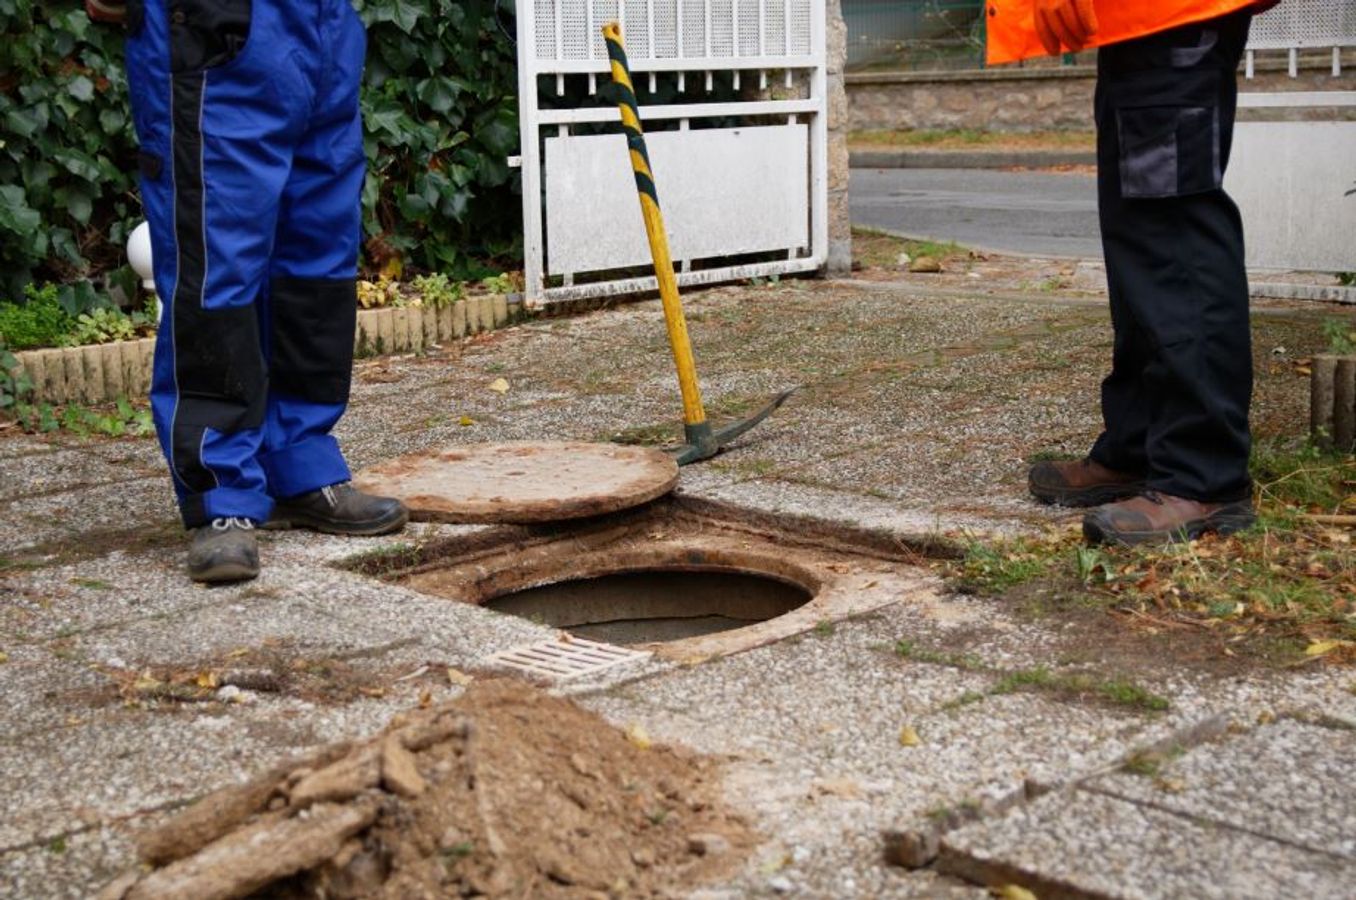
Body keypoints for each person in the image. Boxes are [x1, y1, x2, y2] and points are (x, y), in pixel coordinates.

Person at [95, 0, 408, 581]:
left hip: (324, 27)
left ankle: (298, 461)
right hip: (215, 26)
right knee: (217, 260)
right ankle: (223, 494)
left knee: (316, 256)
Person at [986, 0, 1278, 545]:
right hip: (1138, 19)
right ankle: (1142, 444)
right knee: (1140, 234)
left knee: (1172, 230)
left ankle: (1202, 476)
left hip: (1172, 12)